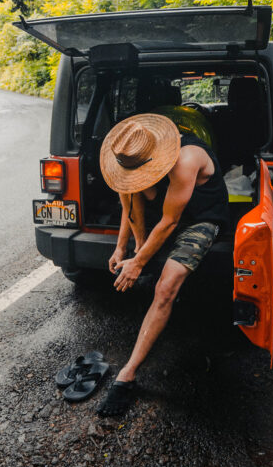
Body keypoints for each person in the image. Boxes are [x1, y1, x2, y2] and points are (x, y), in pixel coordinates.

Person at [96, 112, 229, 416]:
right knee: (133, 190)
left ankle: (128, 374)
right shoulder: (130, 160)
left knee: (165, 287)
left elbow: (170, 222)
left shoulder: (186, 159)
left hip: (200, 220)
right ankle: (145, 254)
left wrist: (138, 263)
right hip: (166, 215)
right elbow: (129, 204)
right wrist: (122, 249)